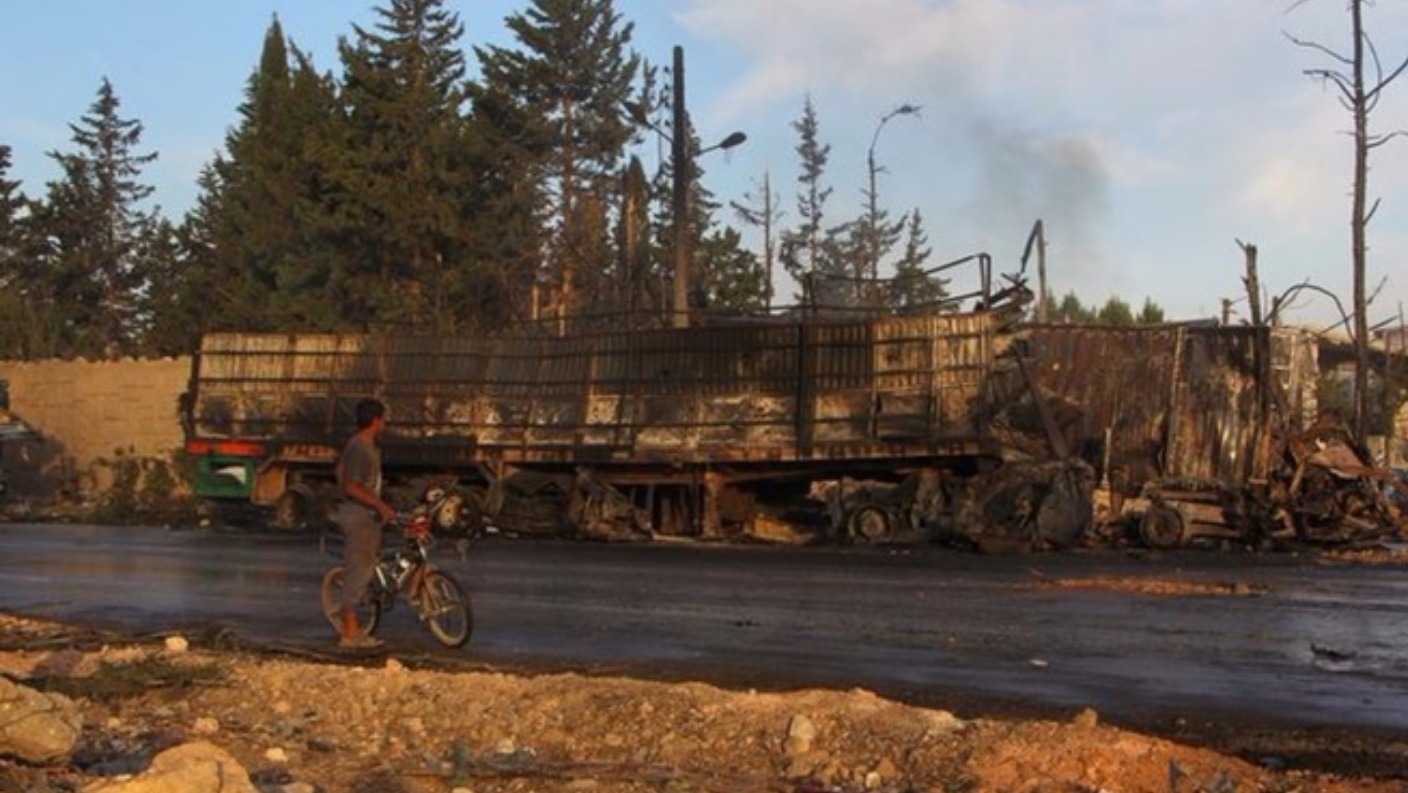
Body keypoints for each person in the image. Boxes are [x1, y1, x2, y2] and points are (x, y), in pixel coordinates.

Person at [332, 397, 397, 649]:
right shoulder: (360, 447)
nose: (385, 423)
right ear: (376, 420)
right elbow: (351, 486)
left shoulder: (363, 445)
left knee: (372, 564)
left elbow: (340, 471)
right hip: (359, 514)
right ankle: (350, 634)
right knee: (359, 569)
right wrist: (379, 505)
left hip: (366, 512)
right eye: (383, 418)